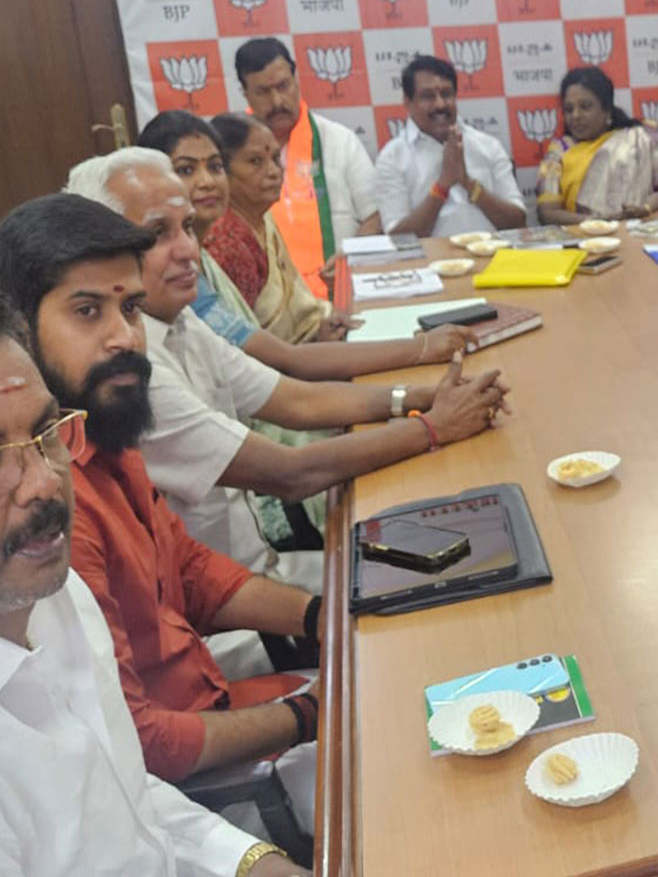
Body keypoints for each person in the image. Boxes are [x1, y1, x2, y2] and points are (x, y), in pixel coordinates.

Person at [0, 297, 397, 877]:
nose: (42, 484)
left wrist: (252, 866)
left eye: (46, 435)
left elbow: (116, 782)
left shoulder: (53, 598)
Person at [56, 152, 509, 588]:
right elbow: (289, 472)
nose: (188, 250)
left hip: (257, 574)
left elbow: (294, 398)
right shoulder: (130, 366)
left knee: (475, 550)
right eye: (157, 234)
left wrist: (423, 397)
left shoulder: (176, 318)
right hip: (229, 616)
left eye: (188, 228)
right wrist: (433, 427)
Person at [0, 196, 322, 804]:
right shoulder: (43, 509)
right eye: (88, 311)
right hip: (214, 789)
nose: (124, 337)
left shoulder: (103, 432)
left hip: (225, 706)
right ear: (18, 328)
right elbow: (142, 745)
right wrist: (309, 715)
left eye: (130, 308)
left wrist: (315, 617)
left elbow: (190, 571)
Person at [136, 110, 475, 377]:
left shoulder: (245, 228)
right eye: (185, 170)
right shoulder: (221, 246)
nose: (207, 181)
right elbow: (282, 365)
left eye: (213, 167)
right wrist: (420, 349)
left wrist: (316, 330)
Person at [235, 36, 381, 300]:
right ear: (246, 94)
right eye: (263, 92)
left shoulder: (338, 140)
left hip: (341, 294)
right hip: (268, 308)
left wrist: (350, 257)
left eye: (283, 86)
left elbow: (374, 217)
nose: (278, 100)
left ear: (296, 81)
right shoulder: (232, 153)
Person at [204, 113, 351, 346]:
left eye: (275, 158)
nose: (274, 171)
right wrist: (314, 345)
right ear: (222, 169)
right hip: (285, 368)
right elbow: (245, 348)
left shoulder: (261, 218)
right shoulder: (227, 243)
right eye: (255, 162)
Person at [374, 55, 526, 238]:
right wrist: (442, 186)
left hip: (493, 259)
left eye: (446, 94)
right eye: (428, 96)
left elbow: (518, 221)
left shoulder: (487, 146)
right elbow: (398, 238)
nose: (440, 104)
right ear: (407, 102)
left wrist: (469, 184)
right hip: (427, 264)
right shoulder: (393, 158)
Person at [535, 66, 658, 224]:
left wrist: (646, 208)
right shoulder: (559, 151)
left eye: (585, 107)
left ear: (607, 110)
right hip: (582, 239)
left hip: (640, 232)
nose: (576, 115)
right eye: (569, 109)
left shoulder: (640, 138)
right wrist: (596, 222)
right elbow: (547, 213)